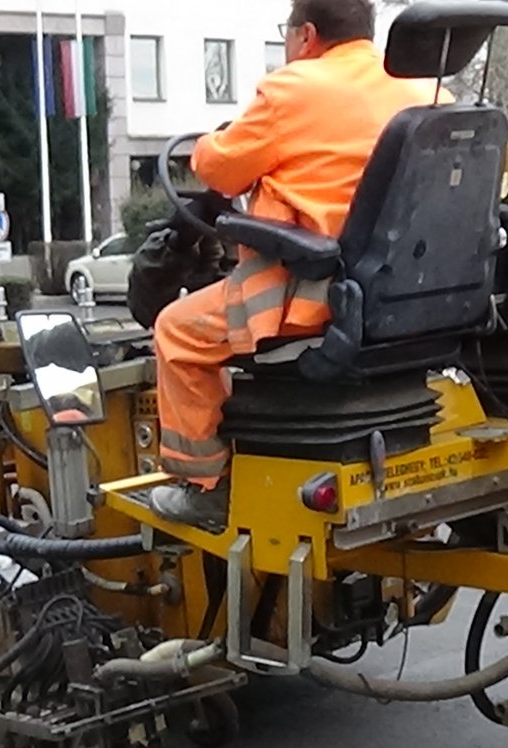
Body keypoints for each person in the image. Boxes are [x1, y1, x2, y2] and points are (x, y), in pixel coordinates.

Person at [145, 0, 443, 531]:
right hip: (406, 299)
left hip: (311, 298)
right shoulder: (423, 89)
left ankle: (206, 487)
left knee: (175, 332)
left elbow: (218, 167)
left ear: (306, 34)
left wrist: (218, 138)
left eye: (285, 32)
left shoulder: (291, 89)